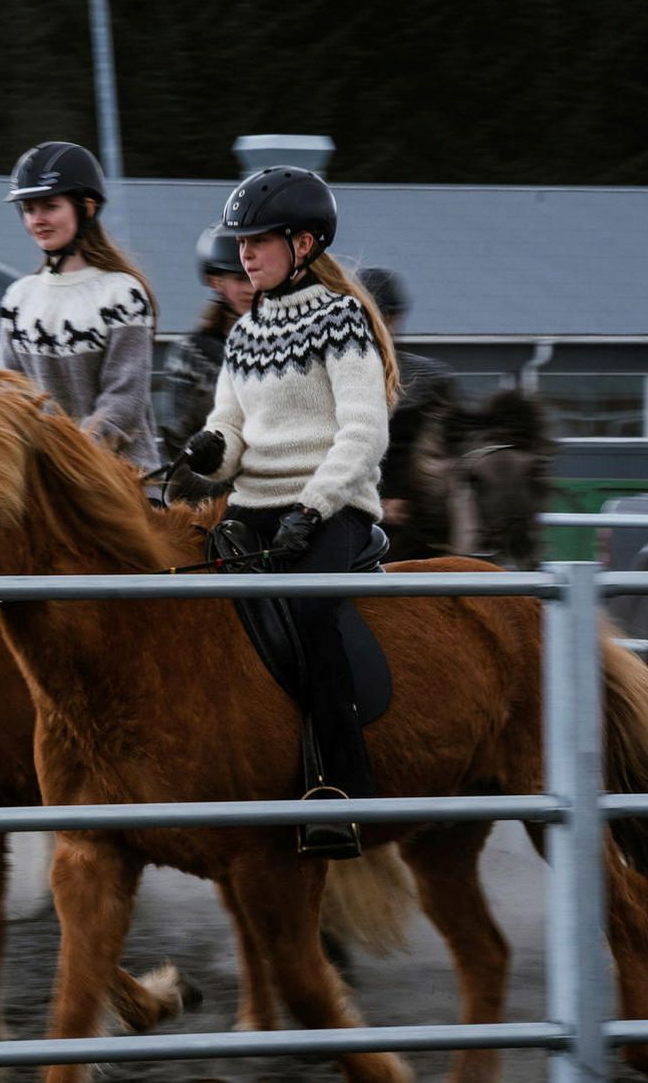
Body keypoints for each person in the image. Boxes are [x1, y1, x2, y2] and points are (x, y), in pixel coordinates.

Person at [183, 166, 400, 858]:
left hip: (330, 507)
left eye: (259, 241)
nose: (244, 253)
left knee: (308, 611)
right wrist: (210, 452)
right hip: (252, 508)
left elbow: (364, 432)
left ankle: (341, 787)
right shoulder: (245, 332)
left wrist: (314, 506)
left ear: (303, 244)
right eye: (240, 242)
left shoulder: (341, 319)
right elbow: (230, 429)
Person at [0, 141, 161, 472]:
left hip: (122, 474)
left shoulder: (122, 294)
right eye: (29, 209)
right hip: (45, 476)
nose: (37, 220)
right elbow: (9, 394)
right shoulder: (16, 300)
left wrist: (71, 457)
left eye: (49, 206)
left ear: (86, 207)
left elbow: (124, 401)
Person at [358, 267, 467, 557]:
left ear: (395, 319)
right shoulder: (326, 379)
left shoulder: (430, 381)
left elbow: (450, 453)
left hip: (418, 523)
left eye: (382, 316)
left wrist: (408, 500)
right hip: (351, 512)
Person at [153, 228, 254, 502]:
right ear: (215, 281)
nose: (250, 288)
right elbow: (179, 445)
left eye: (253, 276)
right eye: (239, 278)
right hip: (209, 494)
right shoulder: (191, 355)